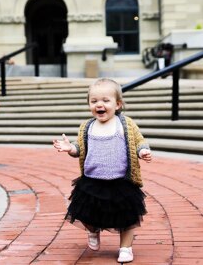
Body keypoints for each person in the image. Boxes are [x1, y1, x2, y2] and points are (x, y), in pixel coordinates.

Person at [53, 78, 152, 263]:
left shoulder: (126, 124)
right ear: (89, 104)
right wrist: (70, 149)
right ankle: (93, 231)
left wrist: (143, 150)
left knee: (128, 217)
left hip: (121, 181)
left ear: (118, 104)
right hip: (92, 181)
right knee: (87, 212)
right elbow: (80, 149)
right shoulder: (87, 127)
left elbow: (139, 141)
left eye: (106, 101)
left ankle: (125, 247)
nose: (100, 105)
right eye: (94, 101)